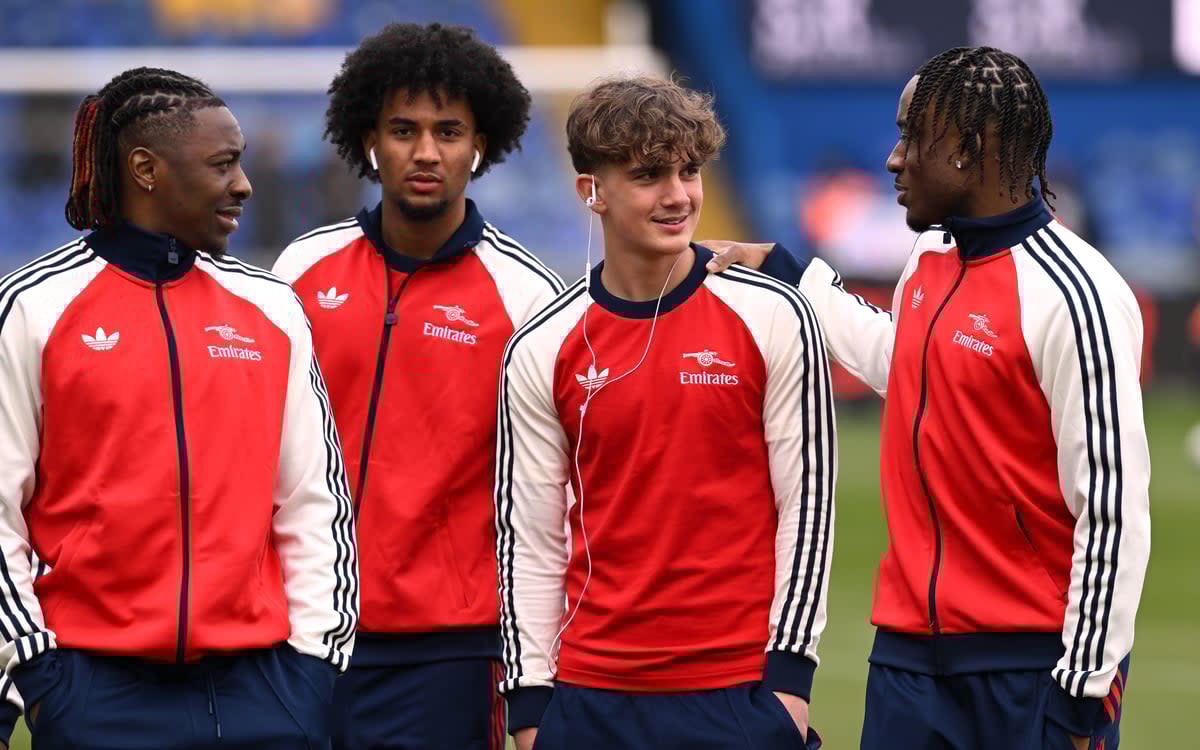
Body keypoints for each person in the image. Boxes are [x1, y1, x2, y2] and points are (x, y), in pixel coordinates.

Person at [709, 46, 1151, 750]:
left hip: (1030, 671)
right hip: (907, 661)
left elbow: (1113, 511)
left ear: (969, 152)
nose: (893, 158)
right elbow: (907, 365)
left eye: (912, 136)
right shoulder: (931, 257)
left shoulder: (1078, 296)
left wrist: (1083, 697)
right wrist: (791, 278)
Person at [0, 67, 358, 749]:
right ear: (146, 169)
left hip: (266, 695)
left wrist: (312, 672)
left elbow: (316, 502)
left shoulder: (273, 310)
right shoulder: (33, 309)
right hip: (94, 697)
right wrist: (42, 678)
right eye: (223, 165)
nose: (244, 185)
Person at [496, 75, 833, 750]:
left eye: (689, 170)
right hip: (590, 697)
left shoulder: (773, 314)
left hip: (738, 694)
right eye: (648, 174)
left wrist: (789, 684)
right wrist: (530, 707)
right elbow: (528, 539)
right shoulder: (542, 346)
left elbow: (809, 509)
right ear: (591, 191)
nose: (678, 195)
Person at [270, 24, 563, 750]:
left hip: (452, 653)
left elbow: (552, 495)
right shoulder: (301, 271)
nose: (426, 152)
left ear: (482, 145)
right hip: (298, 634)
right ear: (369, 136)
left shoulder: (527, 297)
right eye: (403, 129)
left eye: (448, 131)